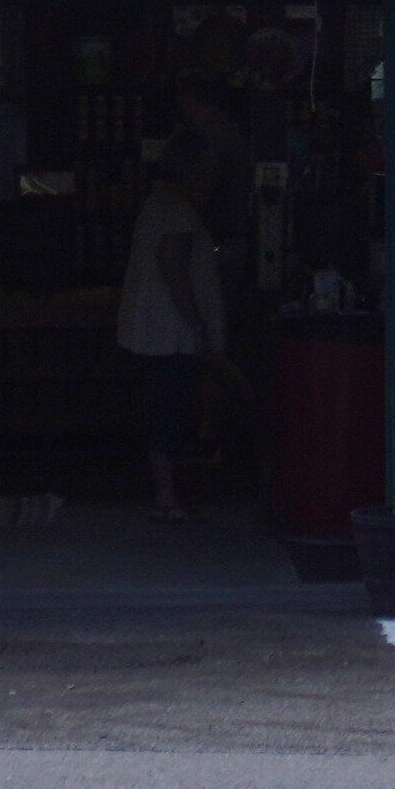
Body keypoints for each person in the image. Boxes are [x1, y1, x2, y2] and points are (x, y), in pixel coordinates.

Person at [115, 147, 234, 516]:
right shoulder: (177, 211)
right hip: (172, 332)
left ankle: (166, 489)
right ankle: (166, 494)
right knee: (169, 408)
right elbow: (174, 264)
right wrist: (195, 321)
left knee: (164, 406)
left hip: (158, 328)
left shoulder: (157, 205)